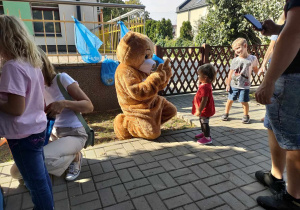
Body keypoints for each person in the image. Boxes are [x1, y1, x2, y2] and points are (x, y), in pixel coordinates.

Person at [11, 49, 94, 181]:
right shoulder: (37, 87)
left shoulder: (62, 79)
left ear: (41, 65)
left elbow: (89, 106)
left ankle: (75, 157)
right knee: (15, 171)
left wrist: (64, 103)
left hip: (75, 134)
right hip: (53, 136)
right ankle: (68, 157)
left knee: (33, 163)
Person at [0, 15, 54, 210]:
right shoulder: (32, 64)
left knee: (35, 183)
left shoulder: (11, 67)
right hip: (36, 130)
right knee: (41, 177)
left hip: (22, 136)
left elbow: (16, 108)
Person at [255, 0, 300, 209]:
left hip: (291, 75)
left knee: (292, 137)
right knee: (274, 125)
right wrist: (278, 28)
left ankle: (293, 198)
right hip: (290, 75)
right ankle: (275, 177)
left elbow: (295, 34)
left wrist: (269, 80)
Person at [221, 38, 259, 123]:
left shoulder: (253, 58)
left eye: (238, 48)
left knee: (244, 101)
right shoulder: (235, 60)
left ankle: (246, 115)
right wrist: (228, 84)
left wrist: (260, 72)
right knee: (230, 100)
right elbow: (230, 72)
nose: (236, 51)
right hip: (234, 84)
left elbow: (255, 69)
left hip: (245, 85)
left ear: (245, 45)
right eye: (235, 50)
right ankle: (226, 113)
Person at [258, 13, 285, 122]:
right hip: (280, 64)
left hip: (278, 65)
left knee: (272, 91)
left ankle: (270, 117)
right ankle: (269, 116)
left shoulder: (284, 27)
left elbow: (271, 49)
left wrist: (263, 65)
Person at [192, 64, 216, 144]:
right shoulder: (205, 84)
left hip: (204, 109)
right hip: (204, 108)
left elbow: (204, 100)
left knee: (204, 122)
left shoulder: (205, 87)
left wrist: (199, 110)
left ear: (205, 77)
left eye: (199, 75)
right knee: (202, 120)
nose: (198, 76)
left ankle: (207, 137)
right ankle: (204, 133)